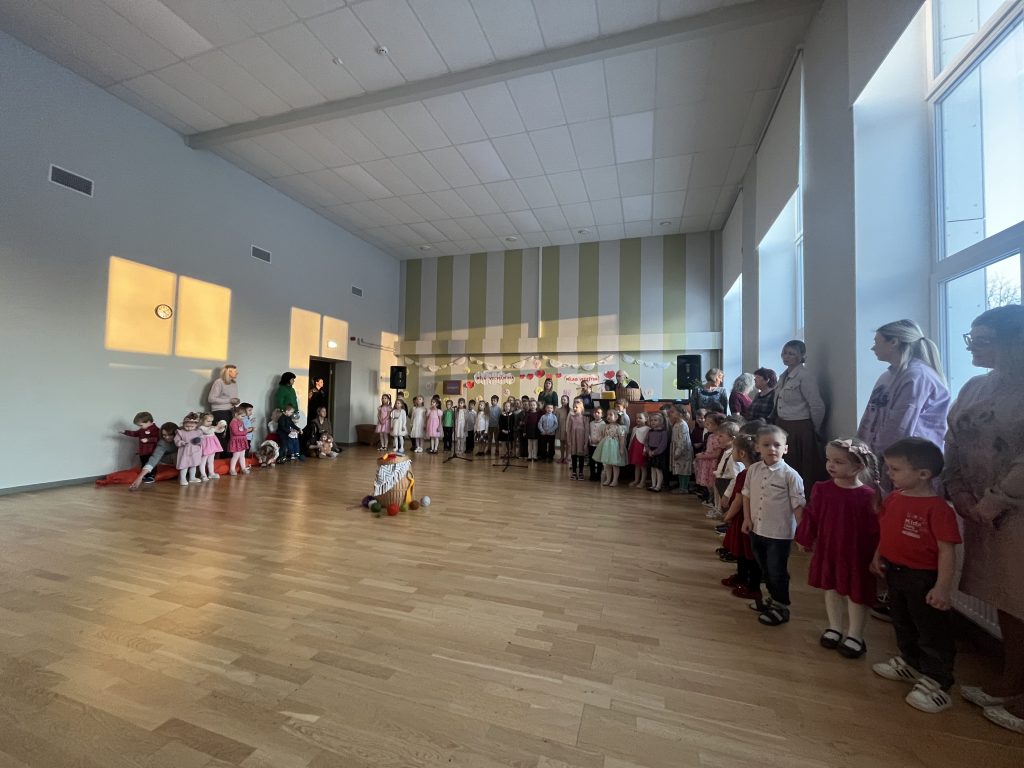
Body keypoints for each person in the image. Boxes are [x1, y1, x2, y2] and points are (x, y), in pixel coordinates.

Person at [942, 305, 1024, 732]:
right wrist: (957, 490)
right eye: (971, 338)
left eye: (984, 340)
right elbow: (953, 439)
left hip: (1012, 511)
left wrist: (992, 502)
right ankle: (1012, 679)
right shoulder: (975, 386)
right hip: (979, 510)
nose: (973, 347)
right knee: (1007, 598)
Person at [872, 438, 960, 714]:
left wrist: (942, 587)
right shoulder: (895, 498)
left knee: (931, 631)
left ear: (923, 474)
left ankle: (938, 681)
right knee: (902, 621)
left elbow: (947, 551)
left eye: (895, 469)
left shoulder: (938, 509)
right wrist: (878, 555)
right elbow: (886, 530)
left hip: (923, 578)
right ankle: (911, 663)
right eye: (888, 467)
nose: (889, 473)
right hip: (895, 572)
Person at [795, 438, 881, 660]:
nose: (830, 465)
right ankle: (835, 627)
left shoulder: (868, 496)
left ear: (858, 467)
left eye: (838, 462)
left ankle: (855, 635)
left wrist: (878, 555)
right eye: (829, 460)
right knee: (831, 588)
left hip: (856, 554)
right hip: (829, 550)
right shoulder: (822, 489)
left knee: (856, 594)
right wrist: (805, 537)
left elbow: (877, 530)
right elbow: (812, 515)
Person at [858, 320, 949, 483]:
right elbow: (870, 416)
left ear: (894, 342)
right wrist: (861, 449)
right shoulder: (887, 376)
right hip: (882, 460)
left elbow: (899, 426)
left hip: (908, 463)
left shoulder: (917, 376)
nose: (873, 348)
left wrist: (877, 455)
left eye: (877, 342)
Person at [741, 425, 805, 626]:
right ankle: (773, 598)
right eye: (766, 445)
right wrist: (747, 518)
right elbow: (746, 495)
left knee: (777, 570)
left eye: (777, 445)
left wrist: (802, 534)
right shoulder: (753, 470)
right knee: (764, 568)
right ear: (757, 447)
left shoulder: (790, 475)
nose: (772, 449)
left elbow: (798, 506)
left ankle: (781, 606)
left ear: (785, 448)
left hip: (779, 534)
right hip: (757, 530)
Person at [773, 340, 827, 497]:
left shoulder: (805, 376)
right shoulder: (783, 376)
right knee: (785, 465)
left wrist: (814, 428)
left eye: (791, 354)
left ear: (801, 356)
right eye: (785, 353)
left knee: (802, 468)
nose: (786, 356)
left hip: (800, 427)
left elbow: (817, 405)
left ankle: (802, 500)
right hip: (783, 425)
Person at [720, 435, 760, 599]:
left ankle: (748, 580)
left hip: (744, 518)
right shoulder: (753, 471)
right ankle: (741, 575)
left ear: (742, 453)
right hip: (745, 517)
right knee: (742, 550)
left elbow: (738, 499)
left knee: (745, 551)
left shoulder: (746, 474)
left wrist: (728, 515)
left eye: (734, 450)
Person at [127, 422, 179, 490]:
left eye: (170, 435)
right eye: (164, 435)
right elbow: (154, 459)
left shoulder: (183, 437)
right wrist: (140, 477)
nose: (167, 437)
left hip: (183, 458)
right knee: (176, 455)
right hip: (168, 458)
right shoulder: (162, 443)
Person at [120, 411, 160, 484]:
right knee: (143, 463)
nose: (140, 427)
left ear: (148, 422)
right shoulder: (142, 430)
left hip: (151, 452)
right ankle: (144, 475)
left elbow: (158, 438)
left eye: (141, 425)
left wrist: (148, 439)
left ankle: (151, 476)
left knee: (151, 464)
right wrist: (125, 432)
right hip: (142, 452)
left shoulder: (155, 429)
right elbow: (135, 433)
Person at [694, 412, 726, 502]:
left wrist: (702, 456)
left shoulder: (718, 437)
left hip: (712, 464)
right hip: (707, 462)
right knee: (708, 483)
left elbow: (716, 454)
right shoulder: (710, 436)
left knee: (712, 482)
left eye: (709, 424)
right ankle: (710, 498)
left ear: (717, 425)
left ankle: (713, 500)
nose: (706, 425)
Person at [209, 364, 240, 453]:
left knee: (231, 434)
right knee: (222, 435)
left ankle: (228, 456)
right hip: (220, 412)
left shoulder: (234, 383)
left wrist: (236, 401)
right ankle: (220, 457)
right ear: (228, 372)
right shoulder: (219, 382)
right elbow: (211, 399)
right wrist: (230, 400)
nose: (237, 373)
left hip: (231, 411)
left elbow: (231, 399)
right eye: (234, 371)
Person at [595, 409, 626, 486]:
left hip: (615, 448)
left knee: (615, 465)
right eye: (607, 415)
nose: (608, 416)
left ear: (616, 417)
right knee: (607, 464)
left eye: (610, 415)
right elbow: (603, 436)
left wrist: (621, 449)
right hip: (607, 447)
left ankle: (615, 480)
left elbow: (622, 439)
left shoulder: (619, 427)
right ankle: (608, 479)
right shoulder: (606, 426)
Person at [174, 413, 204, 486]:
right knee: (184, 465)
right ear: (183, 424)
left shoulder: (198, 432)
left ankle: (192, 477)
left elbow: (202, 440)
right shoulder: (181, 432)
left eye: (192, 426)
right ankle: (183, 478)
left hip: (195, 451)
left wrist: (198, 440)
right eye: (187, 426)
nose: (189, 428)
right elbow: (176, 440)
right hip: (185, 451)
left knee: (193, 465)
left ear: (196, 425)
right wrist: (181, 442)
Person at [669, 407, 693, 494]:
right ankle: (681, 487)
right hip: (677, 449)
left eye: (673, 412)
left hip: (683, 451)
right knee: (680, 469)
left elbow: (682, 440)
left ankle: (684, 488)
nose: (671, 413)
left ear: (680, 414)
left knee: (684, 470)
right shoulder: (676, 423)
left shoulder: (683, 425)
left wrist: (678, 452)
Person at [565, 398, 589, 481]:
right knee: (574, 455)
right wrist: (568, 441)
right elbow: (568, 430)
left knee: (581, 456)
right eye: (574, 407)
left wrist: (586, 442)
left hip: (581, 440)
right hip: (573, 440)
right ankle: (574, 472)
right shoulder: (571, 418)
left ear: (581, 408)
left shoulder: (585, 419)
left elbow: (587, 431)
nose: (575, 409)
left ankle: (581, 472)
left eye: (576, 407)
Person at [644, 411, 669, 492]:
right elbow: (646, 441)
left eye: (655, 420)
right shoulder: (650, 431)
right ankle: (653, 484)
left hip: (659, 453)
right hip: (650, 452)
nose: (653, 422)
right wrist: (648, 451)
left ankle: (658, 486)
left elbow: (663, 444)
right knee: (652, 469)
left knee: (658, 470)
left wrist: (655, 452)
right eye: (651, 420)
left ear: (660, 421)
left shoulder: (663, 432)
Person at [197, 412, 225, 480]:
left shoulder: (211, 427)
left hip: (212, 446)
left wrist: (222, 427)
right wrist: (216, 427)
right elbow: (208, 432)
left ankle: (211, 473)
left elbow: (218, 431)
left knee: (211, 461)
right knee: (203, 461)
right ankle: (203, 474)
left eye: (211, 421)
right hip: (205, 446)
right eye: (208, 421)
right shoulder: (201, 427)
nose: (210, 423)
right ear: (201, 420)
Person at [627, 412, 650, 489]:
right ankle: (636, 480)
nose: (638, 419)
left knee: (643, 466)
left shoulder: (647, 429)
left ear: (646, 419)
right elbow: (631, 439)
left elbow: (647, 441)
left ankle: (642, 482)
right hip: (634, 449)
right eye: (637, 418)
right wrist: (629, 448)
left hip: (641, 449)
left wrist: (645, 450)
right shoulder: (634, 428)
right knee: (636, 466)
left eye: (640, 418)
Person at [227, 406, 251, 475]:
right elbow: (236, 433)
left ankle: (243, 468)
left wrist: (248, 430)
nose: (243, 418)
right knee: (236, 456)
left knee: (242, 455)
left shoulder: (241, 421)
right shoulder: (233, 422)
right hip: (236, 441)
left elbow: (243, 429)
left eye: (244, 416)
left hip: (241, 440)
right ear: (236, 414)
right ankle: (232, 469)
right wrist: (246, 431)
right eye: (242, 416)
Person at [588, 407, 605, 481]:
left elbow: (603, 434)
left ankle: (598, 476)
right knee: (591, 461)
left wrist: (599, 440)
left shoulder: (603, 424)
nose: (596, 414)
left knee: (599, 461)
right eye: (595, 412)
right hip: (591, 445)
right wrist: (589, 439)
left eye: (598, 412)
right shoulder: (591, 423)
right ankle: (592, 475)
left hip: (599, 445)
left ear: (602, 414)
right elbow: (589, 432)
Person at [556, 394, 570, 464]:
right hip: (561, 428)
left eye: (564, 400)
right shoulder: (558, 410)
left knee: (567, 444)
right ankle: (561, 457)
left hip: (568, 429)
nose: (563, 401)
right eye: (562, 399)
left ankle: (567, 458)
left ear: (568, 401)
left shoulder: (570, 410)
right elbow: (557, 420)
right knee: (562, 444)